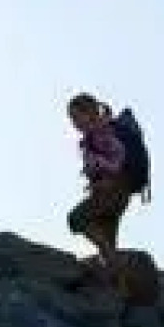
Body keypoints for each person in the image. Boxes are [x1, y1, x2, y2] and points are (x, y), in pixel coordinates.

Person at [66, 93, 133, 283]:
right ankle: (121, 287)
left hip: (112, 191)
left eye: (76, 116)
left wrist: (100, 166)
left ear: (90, 112)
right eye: (71, 118)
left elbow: (118, 157)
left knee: (76, 218)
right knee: (107, 237)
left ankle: (114, 260)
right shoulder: (96, 134)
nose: (74, 122)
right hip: (114, 193)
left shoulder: (100, 131)